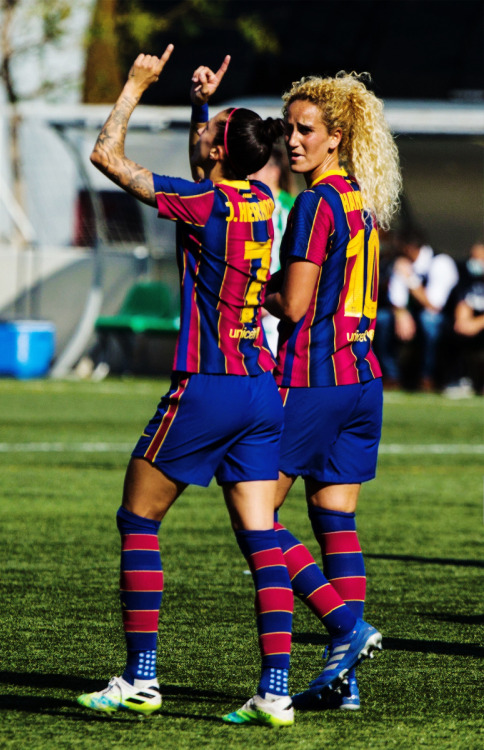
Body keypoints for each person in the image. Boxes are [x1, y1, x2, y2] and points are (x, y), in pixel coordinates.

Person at [76, 46, 296, 728]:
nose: (201, 133)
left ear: (222, 150)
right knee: (261, 535)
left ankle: (142, 677)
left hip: (208, 384)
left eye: (209, 128)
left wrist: (137, 85)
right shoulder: (260, 198)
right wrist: (204, 104)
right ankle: (276, 690)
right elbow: (212, 166)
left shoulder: (203, 202)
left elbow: (106, 157)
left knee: (138, 519)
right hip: (259, 387)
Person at [264, 71, 402, 710]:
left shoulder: (317, 204)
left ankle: (346, 627)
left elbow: (293, 304)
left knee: (258, 516)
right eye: (287, 129)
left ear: (335, 138)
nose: (291, 141)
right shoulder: (362, 199)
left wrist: (254, 289)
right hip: (362, 383)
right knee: (334, 519)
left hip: (311, 379)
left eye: (304, 130)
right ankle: (340, 680)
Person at [388, 227, 459, 391]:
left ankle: (428, 376)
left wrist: (410, 278)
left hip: (444, 320)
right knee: (384, 319)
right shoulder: (402, 264)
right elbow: (396, 299)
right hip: (412, 318)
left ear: (409, 248)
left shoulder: (441, 262)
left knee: (429, 321)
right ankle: (392, 376)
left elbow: (434, 305)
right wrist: (401, 313)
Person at [250, 145, 296, 355]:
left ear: (274, 171)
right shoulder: (250, 204)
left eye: (256, 168)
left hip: (276, 299)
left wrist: (272, 297)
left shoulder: (291, 207)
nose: (250, 174)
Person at [446, 240, 484, 396]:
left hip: (479, 325)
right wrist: (466, 323)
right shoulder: (466, 279)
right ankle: (459, 380)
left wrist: (477, 324)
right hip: (472, 327)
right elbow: (462, 310)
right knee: (452, 333)